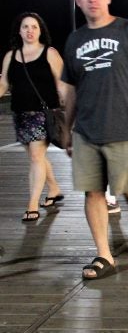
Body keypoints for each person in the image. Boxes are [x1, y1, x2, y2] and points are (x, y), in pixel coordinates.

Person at [60, 0, 128, 279]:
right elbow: (72, 90)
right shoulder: (74, 40)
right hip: (87, 132)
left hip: (126, 130)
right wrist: (67, 129)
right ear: (78, 0)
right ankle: (104, 256)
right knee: (93, 192)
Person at [0, 12, 65, 221]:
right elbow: (3, 84)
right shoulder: (11, 56)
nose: (29, 31)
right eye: (25, 27)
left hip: (43, 114)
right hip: (20, 113)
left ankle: (32, 205)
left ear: (40, 30)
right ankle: (54, 189)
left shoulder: (50, 53)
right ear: (19, 31)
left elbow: (62, 83)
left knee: (36, 157)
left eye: (34, 27)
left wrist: (72, 109)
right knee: (35, 157)